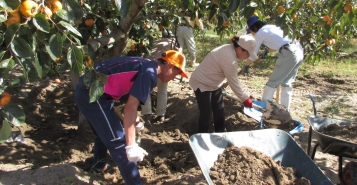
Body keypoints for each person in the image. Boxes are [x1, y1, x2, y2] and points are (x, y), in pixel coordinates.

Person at [74, 51, 187, 184]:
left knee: (103, 133)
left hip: (91, 92)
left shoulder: (145, 65)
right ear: (169, 66)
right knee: (120, 142)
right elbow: (130, 108)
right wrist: (131, 145)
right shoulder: (150, 74)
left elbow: (129, 100)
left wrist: (136, 121)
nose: (175, 77)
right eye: (177, 73)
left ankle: (99, 166)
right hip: (92, 95)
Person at [189, 35, 258, 133]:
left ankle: (221, 133)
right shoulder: (230, 59)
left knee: (219, 109)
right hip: (202, 82)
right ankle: (201, 136)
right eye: (248, 54)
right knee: (207, 113)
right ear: (239, 49)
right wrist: (245, 99)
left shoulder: (229, 48)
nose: (248, 56)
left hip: (213, 83)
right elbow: (233, 83)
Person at [245, 15, 304, 111]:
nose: (251, 33)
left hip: (289, 53)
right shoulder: (272, 27)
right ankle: (285, 111)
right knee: (286, 83)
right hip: (298, 50)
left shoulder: (259, 33)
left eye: (250, 31)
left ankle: (265, 109)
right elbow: (280, 42)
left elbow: (252, 54)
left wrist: (246, 65)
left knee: (272, 83)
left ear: (253, 28)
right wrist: (267, 51)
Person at [141, 37, 182, 122]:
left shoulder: (152, 39)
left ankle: (147, 114)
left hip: (150, 66)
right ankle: (161, 114)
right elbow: (178, 55)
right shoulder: (173, 42)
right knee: (162, 90)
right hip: (164, 68)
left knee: (146, 90)